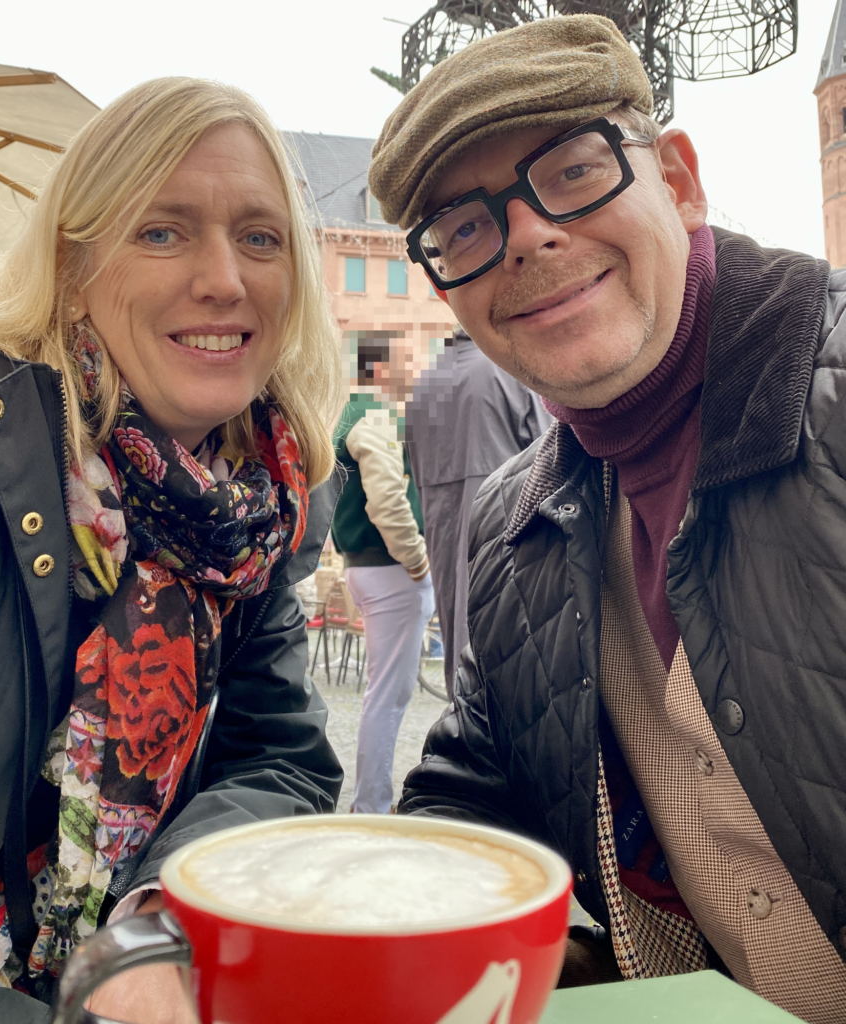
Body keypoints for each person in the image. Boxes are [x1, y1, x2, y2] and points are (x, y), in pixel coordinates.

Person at [0, 77, 344, 1024]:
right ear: (72, 266)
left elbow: (281, 760)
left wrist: (160, 919)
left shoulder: (254, 506)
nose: (226, 278)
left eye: (261, 237)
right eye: (162, 230)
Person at [367, 14, 846, 1022]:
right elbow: (481, 785)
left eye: (574, 172)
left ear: (675, 179)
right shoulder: (513, 525)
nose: (530, 235)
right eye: (464, 227)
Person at [405, 327, 550, 686]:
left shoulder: (425, 381)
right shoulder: (514, 368)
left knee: (462, 655)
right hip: (514, 539)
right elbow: (558, 457)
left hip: (443, 535)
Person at [331, 336, 435, 813]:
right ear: (382, 366)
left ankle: (370, 803)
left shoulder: (353, 412)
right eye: (403, 359)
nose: (410, 368)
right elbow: (387, 496)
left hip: (370, 566)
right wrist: (414, 556)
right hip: (390, 569)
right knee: (389, 695)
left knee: (385, 691)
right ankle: (371, 806)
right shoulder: (372, 414)